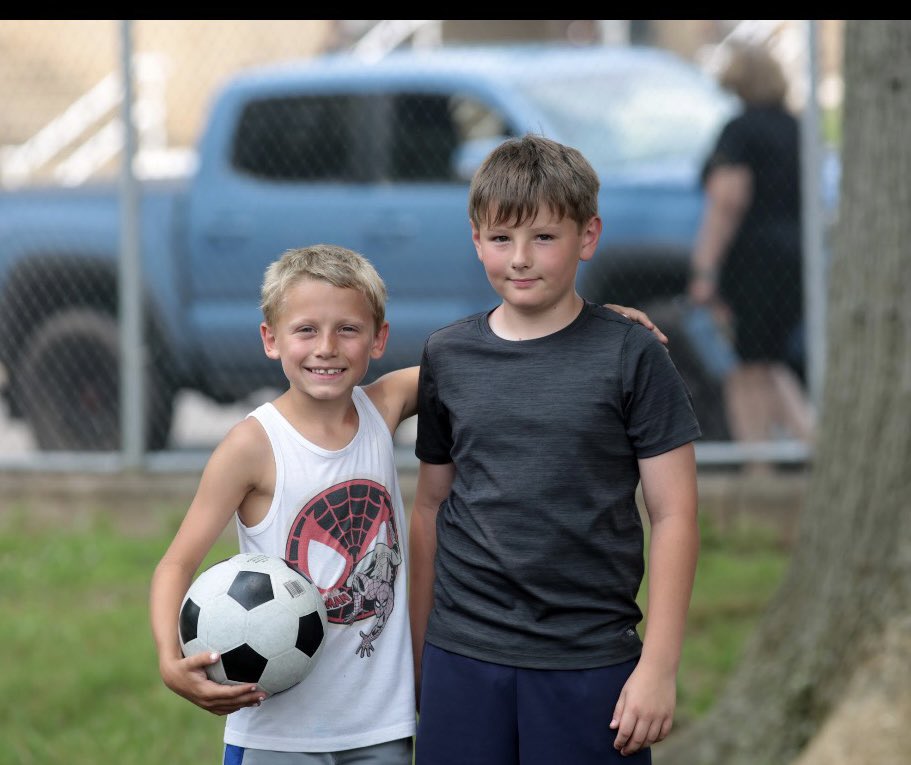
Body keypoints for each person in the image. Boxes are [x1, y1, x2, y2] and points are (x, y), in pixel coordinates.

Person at [149, 243, 665, 765]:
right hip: (277, 731)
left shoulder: (383, 406)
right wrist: (171, 661)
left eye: (347, 329)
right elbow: (177, 562)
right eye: (305, 329)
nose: (326, 347)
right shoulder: (252, 444)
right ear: (270, 339)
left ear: (379, 339)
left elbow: (500, 355)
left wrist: (592, 328)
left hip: (382, 727)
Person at [409, 135, 701, 764]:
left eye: (543, 237)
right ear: (475, 239)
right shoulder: (447, 354)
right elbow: (431, 509)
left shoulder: (632, 354)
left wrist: (659, 667)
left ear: (587, 237)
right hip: (463, 656)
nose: (520, 258)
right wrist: (417, 657)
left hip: (591, 662)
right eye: (501, 238)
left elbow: (675, 515)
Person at [688, 41, 814, 455]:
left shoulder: (740, 130)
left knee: (747, 364)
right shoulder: (796, 128)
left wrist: (704, 269)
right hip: (796, 254)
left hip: (754, 259)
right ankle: (798, 447)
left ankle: (763, 459)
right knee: (764, 360)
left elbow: (728, 199)